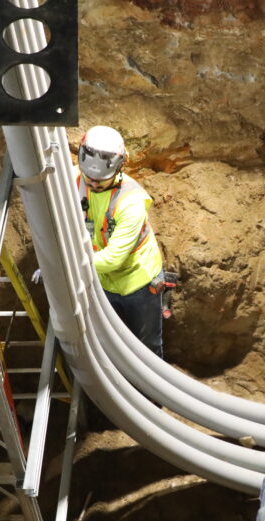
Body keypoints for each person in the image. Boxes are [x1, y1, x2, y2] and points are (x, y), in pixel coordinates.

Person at [75, 125, 165, 357]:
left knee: (147, 346)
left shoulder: (131, 202)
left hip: (138, 281)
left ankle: (149, 379)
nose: (93, 184)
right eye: (89, 178)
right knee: (108, 343)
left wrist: (64, 263)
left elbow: (112, 259)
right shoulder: (74, 179)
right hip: (101, 279)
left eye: (101, 180)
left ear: (119, 167)